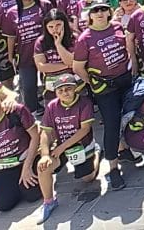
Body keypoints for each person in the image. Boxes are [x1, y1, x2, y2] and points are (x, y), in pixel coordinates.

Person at [72, 0, 134, 190]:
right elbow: (77, 67)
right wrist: (92, 82)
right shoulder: (85, 38)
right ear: (90, 14)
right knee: (111, 124)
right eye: (95, 10)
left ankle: (126, 149)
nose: (99, 13)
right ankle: (113, 167)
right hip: (105, 87)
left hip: (125, 79)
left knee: (132, 115)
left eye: (103, 9)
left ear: (109, 11)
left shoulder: (117, 27)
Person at [36, 73, 99, 222]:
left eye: (68, 89)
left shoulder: (85, 102)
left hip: (81, 144)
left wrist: (61, 148)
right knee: (43, 167)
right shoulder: (52, 106)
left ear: (75, 88)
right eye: (60, 90)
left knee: (88, 178)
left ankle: (96, 152)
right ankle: (49, 202)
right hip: (61, 145)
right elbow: (45, 132)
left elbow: (84, 130)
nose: (65, 93)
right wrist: (45, 155)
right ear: (56, 92)